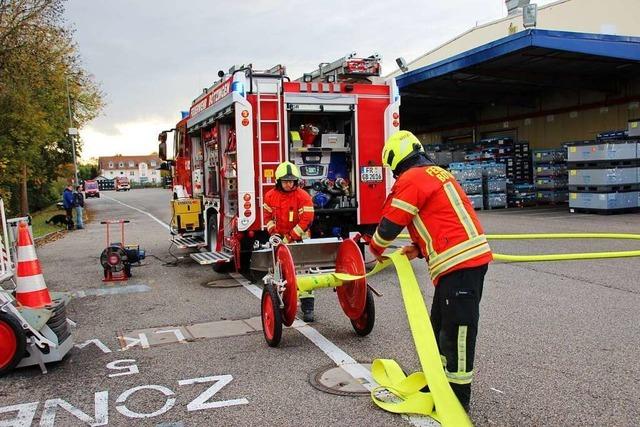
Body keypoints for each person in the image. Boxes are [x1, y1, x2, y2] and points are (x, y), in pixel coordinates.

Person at [369, 130, 493, 410]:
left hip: (460, 263)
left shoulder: (411, 178)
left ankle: (458, 400)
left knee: (458, 333)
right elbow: (441, 218)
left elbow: (391, 223)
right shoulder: (436, 173)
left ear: (395, 161)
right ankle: (438, 383)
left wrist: (373, 251)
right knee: (438, 327)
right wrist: (419, 246)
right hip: (461, 261)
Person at [263, 161, 315, 321]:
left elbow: (307, 219)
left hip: (300, 240)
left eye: (291, 181)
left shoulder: (303, 196)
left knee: (304, 273)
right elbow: (267, 218)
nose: (288, 184)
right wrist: (274, 233)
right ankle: (283, 304)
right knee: (279, 274)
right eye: (285, 181)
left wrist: (291, 236)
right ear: (278, 181)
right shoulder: (270, 196)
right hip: (279, 240)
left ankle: (308, 309)